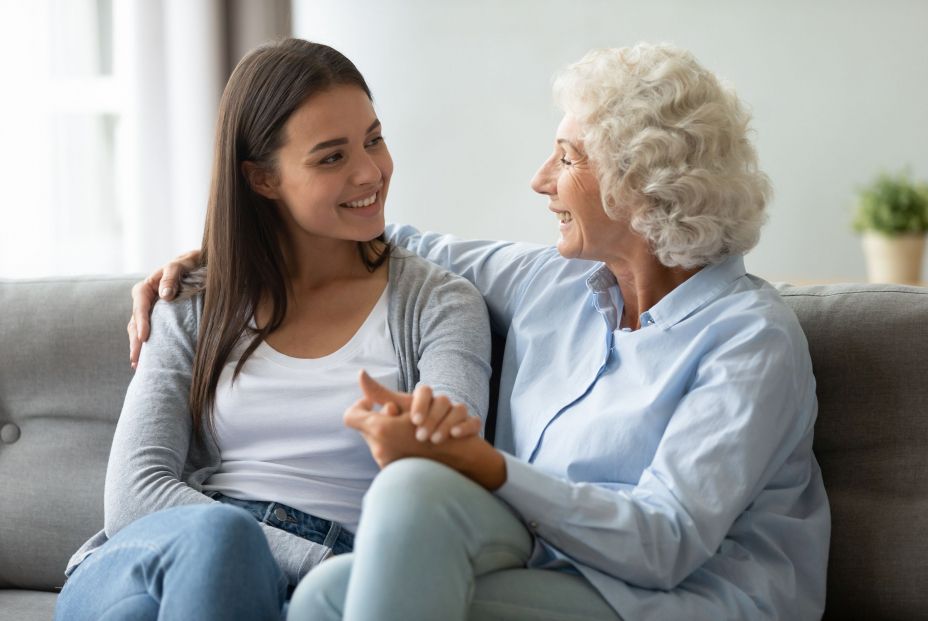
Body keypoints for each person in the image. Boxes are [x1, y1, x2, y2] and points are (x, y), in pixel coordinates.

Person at [131, 43, 830, 620]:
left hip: (686, 601)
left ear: (641, 185)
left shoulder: (749, 339)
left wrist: (483, 464)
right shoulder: (550, 285)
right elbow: (372, 234)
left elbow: (666, 542)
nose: (539, 180)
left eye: (566, 157)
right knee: (326, 589)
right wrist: (220, 259)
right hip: (552, 575)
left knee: (388, 523)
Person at [55, 39, 491, 621]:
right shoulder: (192, 304)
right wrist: (326, 563)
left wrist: (349, 577)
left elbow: (453, 473)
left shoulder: (440, 305)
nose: (370, 171)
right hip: (161, 560)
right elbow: (135, 496)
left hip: (316, 591)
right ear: (262, 180)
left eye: (374, 139)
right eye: (331, 157)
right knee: (223, 539)